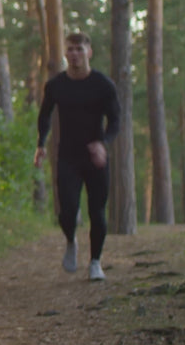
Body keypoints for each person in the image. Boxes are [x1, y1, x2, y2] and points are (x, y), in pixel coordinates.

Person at [34, 32, 120, 281]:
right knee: (67, 210)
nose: (74, 54)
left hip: (96, 157)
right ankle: (71, 240)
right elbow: (44, 116)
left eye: (79, 50)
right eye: (70, 50)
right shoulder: (56, 85)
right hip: (68, 156)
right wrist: (41, 144)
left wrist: (103, 143)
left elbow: (115, 120)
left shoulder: (103, 85)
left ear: (89, 52)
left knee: (97, 211)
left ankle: (95, 262)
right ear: (65, 53)